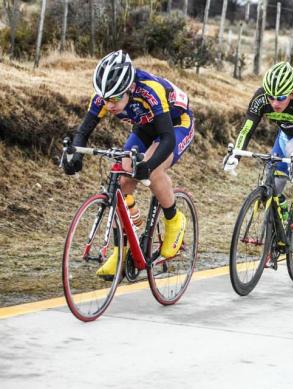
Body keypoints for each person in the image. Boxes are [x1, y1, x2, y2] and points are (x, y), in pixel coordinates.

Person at [62, 50, 195, 277]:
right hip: (144, 128)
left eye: (114, 99)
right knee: (122, 180)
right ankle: (121, 250)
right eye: (105, 99)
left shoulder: (149, 90)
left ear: (130, 88)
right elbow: (83, 132)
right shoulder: (106, 96)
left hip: (175, 125)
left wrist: (149, 165)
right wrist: (75, 154)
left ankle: (175, 221)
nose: (109, 105)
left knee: (152, 171)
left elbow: (166, 138)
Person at [223, 62, 293, 231]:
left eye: (280, 98)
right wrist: (235, 155)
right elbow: (246, 130)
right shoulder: (260, 99)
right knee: (273, 183)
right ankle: (276, 238)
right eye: (270, 97)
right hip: (286, 133)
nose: (274, 103)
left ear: (292, 94)